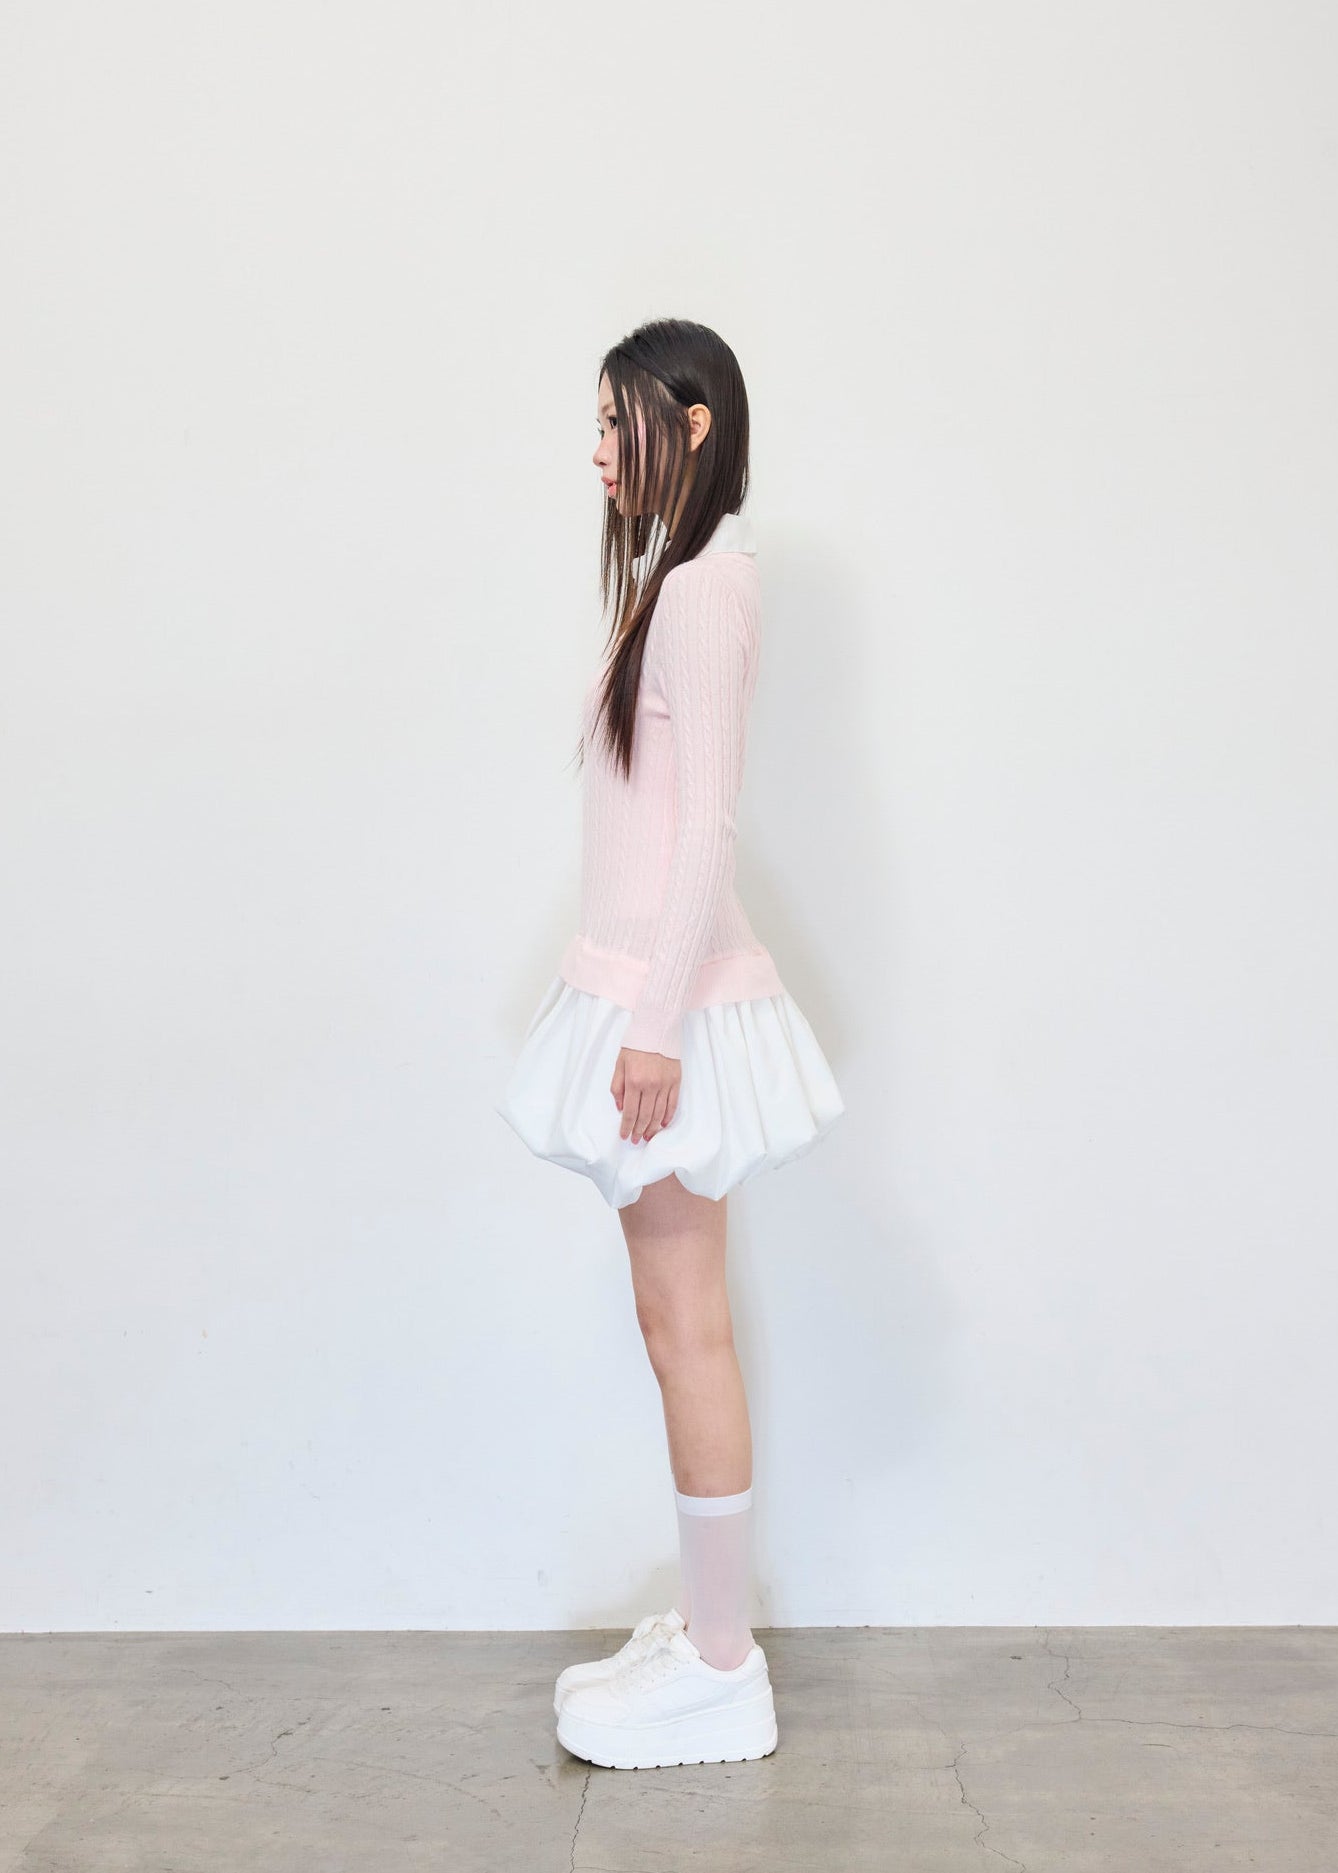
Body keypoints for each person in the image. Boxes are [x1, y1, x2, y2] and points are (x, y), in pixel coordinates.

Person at [495, 318, 845, 1769]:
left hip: (673, 1012)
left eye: (614, 419)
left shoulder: (704, 589)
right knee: (670, 1320)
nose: (594, 450)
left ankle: (720, 1667)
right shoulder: (672, 577)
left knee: (686, 1323)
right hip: (650, 995)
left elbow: (706, 825)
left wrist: (649, 1030)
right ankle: (707, 1640)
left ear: (691, 423)